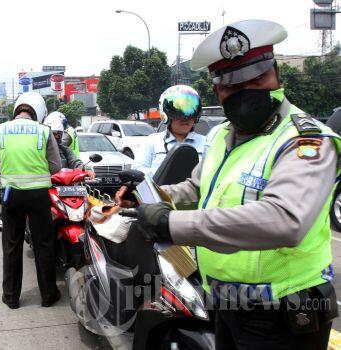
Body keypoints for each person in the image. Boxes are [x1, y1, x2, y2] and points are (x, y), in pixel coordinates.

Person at [135, 19, 340, 349]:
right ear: (217, 91)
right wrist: (149, 198)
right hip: (224, 303)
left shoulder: (306, 141)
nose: (246, 92)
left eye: (258, 78)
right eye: (232, 85)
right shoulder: (219, 136)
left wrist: (171, 224)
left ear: (277, 76)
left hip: (282, 316)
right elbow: (198, 190)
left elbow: (285, 220)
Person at [0, 91, 62, 309]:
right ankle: (48, 295)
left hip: (11, 194)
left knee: (11, 244)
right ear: (38, 113)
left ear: (16, 111)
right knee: (44, 244)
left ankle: (11, 297)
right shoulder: (44, 131)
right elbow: (56, 166)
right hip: (39, 195)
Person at [132, 85, 206, 178]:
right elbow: (137, 170)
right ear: (166, 114)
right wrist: (167, 174)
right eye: (178, 112)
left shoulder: (207, 143)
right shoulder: (153, 141)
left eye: (190, 111)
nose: (186, 117)